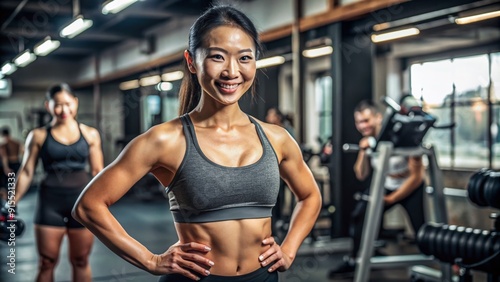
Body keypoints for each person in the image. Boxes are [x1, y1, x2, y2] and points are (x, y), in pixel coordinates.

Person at [72, 5, 322, 282]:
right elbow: (88, 206)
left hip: (263, 277)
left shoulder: (277, 138)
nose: (232, 71)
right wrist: (151, 260)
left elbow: (310, 196)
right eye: (217, 57)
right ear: (191, 61)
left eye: (244, 58)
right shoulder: (165, 140)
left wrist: (288, 250)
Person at [14, 83, 104, 282]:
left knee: (80, 260)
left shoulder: (90, 134)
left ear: (76, 103)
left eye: (68, 104)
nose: (64, 110)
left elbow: (98, 172)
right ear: (48, 106)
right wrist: (12, 202)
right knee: (46, 261)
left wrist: (103, 205)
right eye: (57, 105)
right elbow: (27, 171)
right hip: (49, 203)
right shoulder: (37, 135)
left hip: (82, 203)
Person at [328, 100, 425, 278]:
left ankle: (431, 266)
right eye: (359, 122)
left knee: (422, 231)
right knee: (359, 215)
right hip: (385, 185)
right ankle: (355, 260)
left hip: (410, 188)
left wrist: (391, 199)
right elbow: (361, 174)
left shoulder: (402, 138)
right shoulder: (369, 142)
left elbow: (417, 177)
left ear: (379, 117)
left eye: (366, 120)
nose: (362, 126)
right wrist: (363, 152)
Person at [0, 126, 24, 200]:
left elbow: (4, 157)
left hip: (10, 165)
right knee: (15, 183)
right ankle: (14, 199)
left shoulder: (4, 145)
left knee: (9, 185)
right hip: (17, 164)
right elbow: (24, 152)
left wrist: (6, 168)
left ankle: (10, 201)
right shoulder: (16, 143)